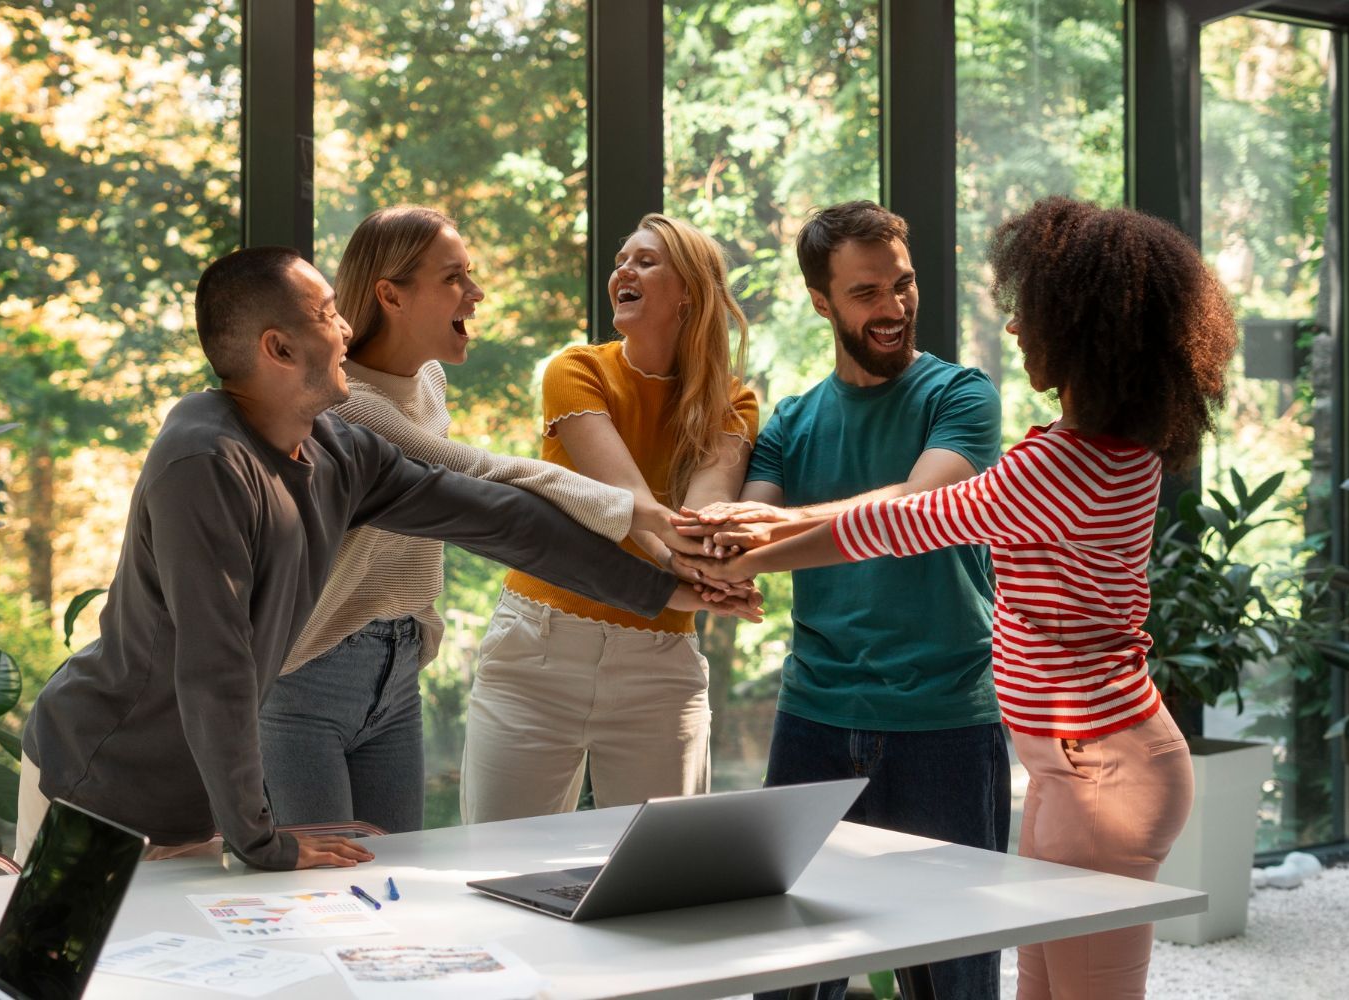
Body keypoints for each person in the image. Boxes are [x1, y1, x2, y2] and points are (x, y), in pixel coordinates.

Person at [17, 245, 758, 872]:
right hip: (97, 784)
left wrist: (664, 590)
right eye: (326, 316)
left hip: (199, 800)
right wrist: (262, 842)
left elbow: (501, 519)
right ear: (277, 349)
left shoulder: (339, 449)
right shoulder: (202, 461)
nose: (346, 330)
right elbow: (214, 665)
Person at [681, 195, 1238, 1000]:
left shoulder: (1057, 466)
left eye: (1033, 316)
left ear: (1084, 334)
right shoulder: (1114, 452)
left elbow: (909, 519)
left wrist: (775, 525)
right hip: (1071, 768)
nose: (1015, 331)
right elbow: (898, 517)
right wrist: (753, 533)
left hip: (1101, 769)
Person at [672, 200, 1008, 1000]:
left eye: (903, 284)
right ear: (822, 301)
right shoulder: (791, 422)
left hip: (946, 725)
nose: (893, 308)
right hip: (814, 720)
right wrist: (726, 544)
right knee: (787, 974)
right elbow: (750, 541)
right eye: (866, 293)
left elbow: (916, 516)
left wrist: (774, 526)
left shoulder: (962, 397)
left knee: (955, 976)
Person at [261, 207, 689, 834]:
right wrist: (640, 512)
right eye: (454, 278)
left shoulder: (428, 378)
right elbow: (483, 479)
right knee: (319, 896)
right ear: (391, 295)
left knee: (392, 887)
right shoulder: (352, 409)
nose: (476, 293)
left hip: (397, 667)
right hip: (309, 675)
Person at [458, 213, 759, 823]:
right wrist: (699, 577)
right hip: (540, 647)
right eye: (622, 260)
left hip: (660, 660)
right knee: (497, 863)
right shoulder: (576, 370)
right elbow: (621, 505)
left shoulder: (734, 402)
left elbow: (699, 517)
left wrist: (699, 570)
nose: (622, 270)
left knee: (664, 877)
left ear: (690, 295)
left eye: (646, 261)